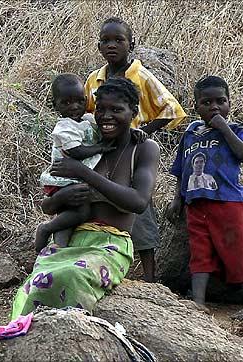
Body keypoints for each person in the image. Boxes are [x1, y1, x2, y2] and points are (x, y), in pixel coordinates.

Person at [11, 77, 159, 319]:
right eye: (100, 109)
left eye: (116, 110)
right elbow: (48, 205)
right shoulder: (87, 141)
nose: (106, 116)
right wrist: (64, 196)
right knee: (35, 283)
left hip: (110, 244)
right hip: (72, 238)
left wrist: (85, 174)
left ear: (134, 111)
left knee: (71, 276)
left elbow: (138, 202)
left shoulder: (142, 148)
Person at [85, 17, 187, 282]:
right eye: (106, 41)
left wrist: (141, 134)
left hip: (131, 152)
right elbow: (87, 115)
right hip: (103, 150)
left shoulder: (141, 76)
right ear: (98, 46)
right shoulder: (94, 80)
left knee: (140, 210)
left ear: (132, 44)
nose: (112, 46)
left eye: (119, 40)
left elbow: (171, 110)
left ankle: (150, 277)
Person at [166, 75, 243, 319]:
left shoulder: (235, 129)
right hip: (196, 204)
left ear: (229, 103)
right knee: (200, 251)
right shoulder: (191, 133)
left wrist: (223, 127)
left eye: (221, 101)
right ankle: (198, 301)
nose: (214, 107)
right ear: (196, 106)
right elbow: (181, 169)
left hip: (228, 201)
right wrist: (178, 198)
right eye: (207, 102)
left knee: (238, 249)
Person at [35, 73, 115, 252]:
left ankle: (57, 250)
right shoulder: (64, 127)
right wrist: (100, 148)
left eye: (79, 101)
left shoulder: (86, 120)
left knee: (67, 217)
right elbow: (75, 152)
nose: (74, 107)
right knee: (80, 212)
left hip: (73, 178)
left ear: (86, 99)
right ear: (55, 105)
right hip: (64, 180)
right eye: (66, 103)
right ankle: (46, 229)